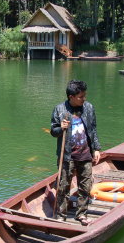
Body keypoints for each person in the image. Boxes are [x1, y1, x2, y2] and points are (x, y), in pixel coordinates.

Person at [50, 79, 101, 226]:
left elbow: (93, 130)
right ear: (71, 97)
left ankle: (82, 214)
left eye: (84, 96)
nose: (84, 99)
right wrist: (61, 127)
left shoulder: (89, 108)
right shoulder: (59, 109)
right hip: (67, 156)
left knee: (85, 187)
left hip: (85, 154)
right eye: (81, 97)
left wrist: (96, 148)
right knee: (63, 187)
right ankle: (61, 216)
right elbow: (54, 132)